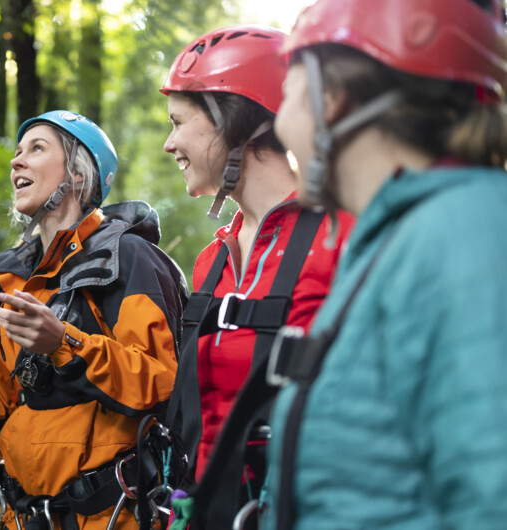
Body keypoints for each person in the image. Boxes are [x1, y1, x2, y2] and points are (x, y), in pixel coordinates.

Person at [260, 0, 507, 527]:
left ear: (333, 100)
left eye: (287, 93)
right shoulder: (404, 238)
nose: (280, 123)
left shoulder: (462, 234)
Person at [0, 110, 188, 529]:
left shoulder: (132, 259)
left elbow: (162, 384)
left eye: (37, 149)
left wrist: (63, 344)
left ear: (79, 175)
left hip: (112, 516)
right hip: (21, 517)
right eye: (17, 152)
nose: (16, 161)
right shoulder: (9, 281)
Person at [158, 25, 353, 529]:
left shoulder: (341, 237)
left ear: (235, 121)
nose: (169, 143)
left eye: (179, 122)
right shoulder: (212, 260)